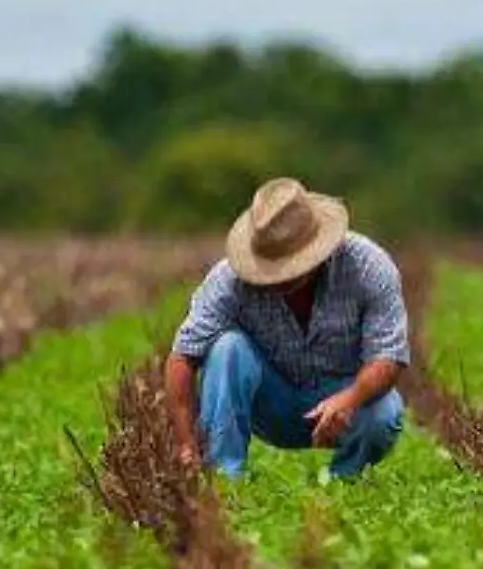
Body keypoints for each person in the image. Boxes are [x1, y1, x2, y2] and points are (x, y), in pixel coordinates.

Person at [164, 177, 410, 479]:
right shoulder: (229, 280)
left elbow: (388, 358)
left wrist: (349, 400)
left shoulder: (368, 266)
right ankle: (224, 479)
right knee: (227, 348)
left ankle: (344, 482)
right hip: (271, 402)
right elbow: (182, 357)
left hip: (344, 397)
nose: (281, 277)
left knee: (384, 412)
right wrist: (186, 445)